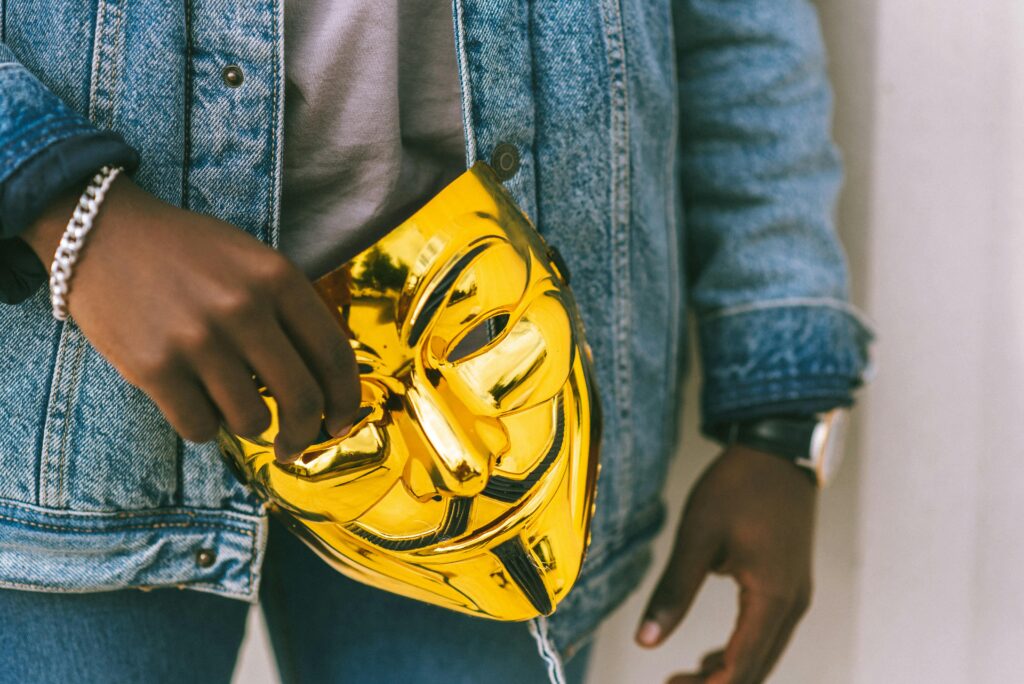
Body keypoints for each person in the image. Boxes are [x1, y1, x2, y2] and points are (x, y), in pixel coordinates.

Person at [0, 1, 871, 683]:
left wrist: (782, 416)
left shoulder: (475, 459)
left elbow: (736, 23)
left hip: (513, 462)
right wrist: (62, 206)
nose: (456, 461)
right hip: (62, 402)